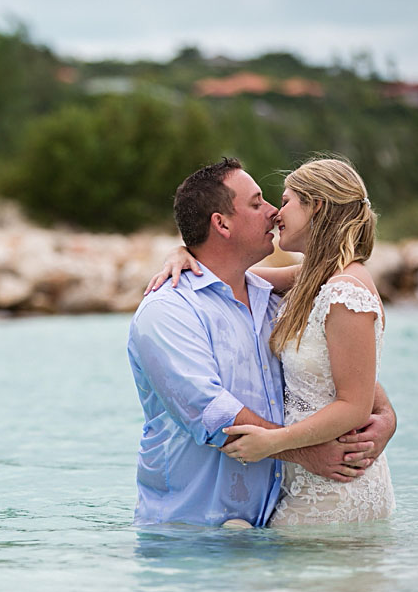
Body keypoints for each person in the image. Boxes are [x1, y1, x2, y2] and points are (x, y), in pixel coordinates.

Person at [129, 157, 395, 528]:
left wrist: (386, 416)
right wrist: (305, 454)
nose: (273, 212)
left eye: (282, 201)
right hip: (192, 535)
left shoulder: (277, 297)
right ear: (220, 224)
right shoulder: (168, 312)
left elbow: (344, 375)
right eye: (258, 203)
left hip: (291, 510)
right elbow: (214, 415)